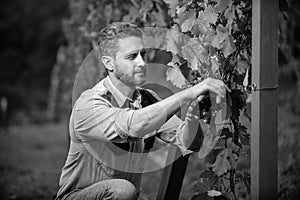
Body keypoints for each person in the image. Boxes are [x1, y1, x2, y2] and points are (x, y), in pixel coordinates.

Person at [56, 22, 229, 200]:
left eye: (143, 54)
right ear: (109, 63)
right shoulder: (90, 104)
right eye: (132, 57)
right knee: (123, 190)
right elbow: (134, 125)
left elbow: (190, 142)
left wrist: (191, 119)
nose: (142, 62)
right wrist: (190, 92)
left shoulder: (145, 99)